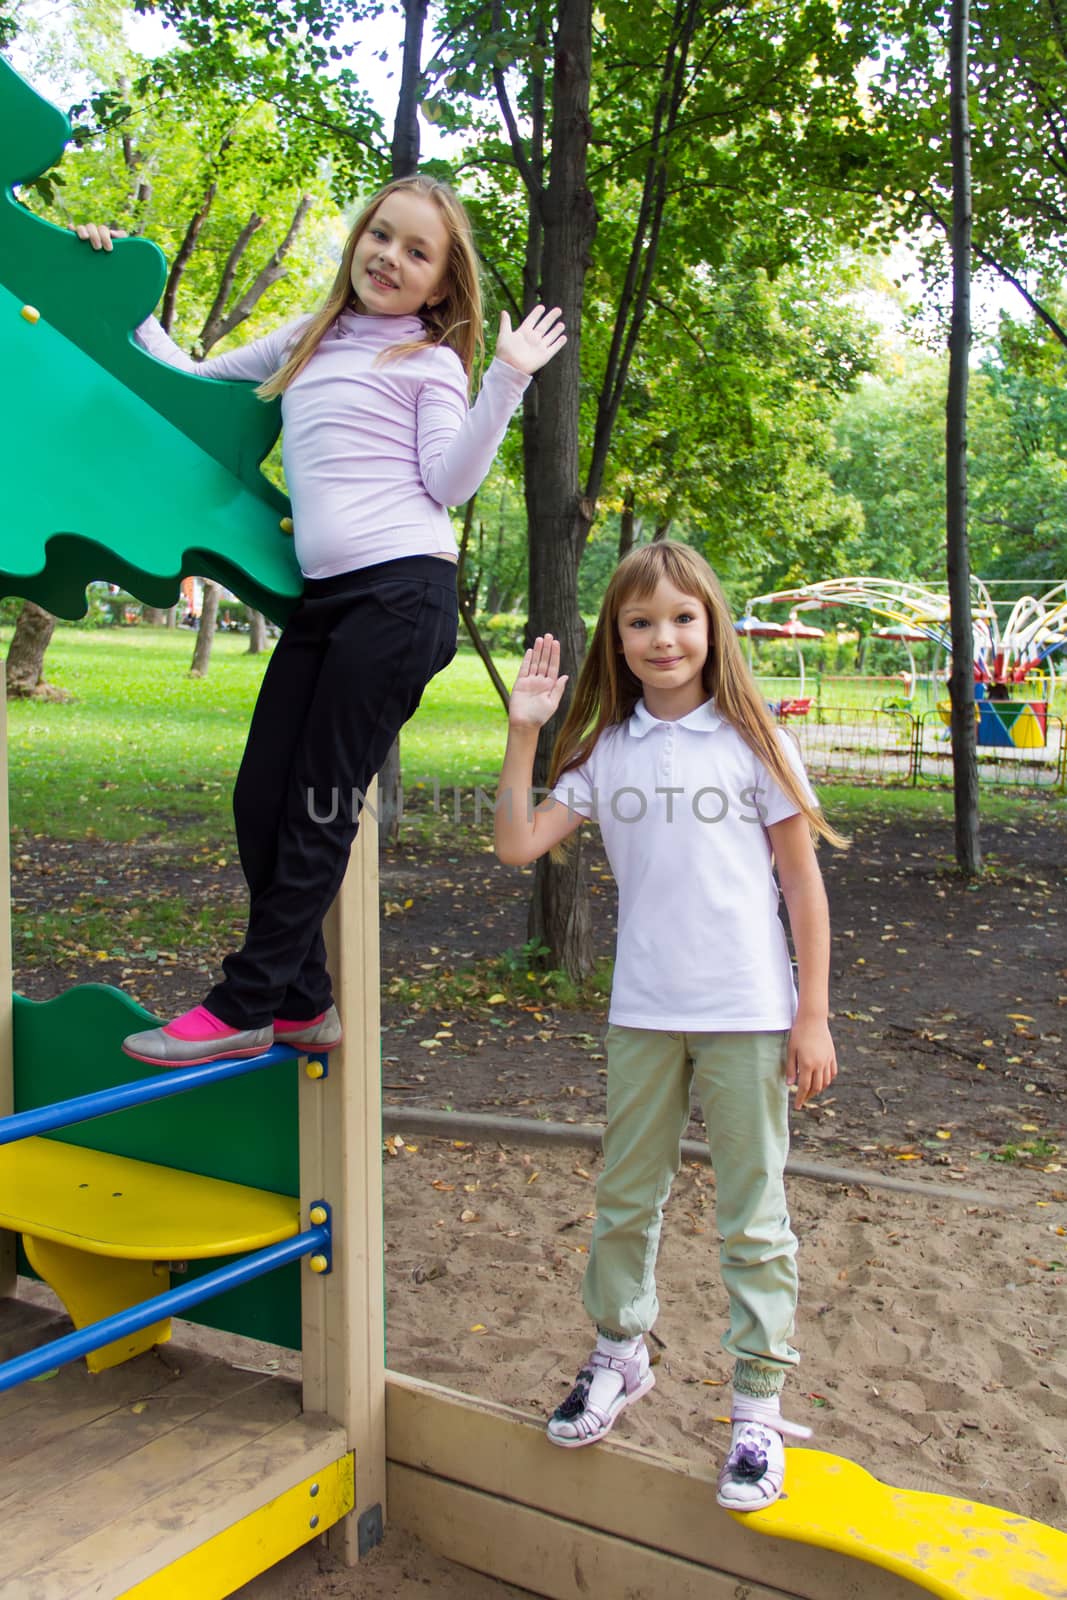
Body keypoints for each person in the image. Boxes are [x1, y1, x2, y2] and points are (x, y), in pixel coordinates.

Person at [76, 177, 565, 1066]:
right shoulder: (311, 338)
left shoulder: (428, 363)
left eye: (418, 253)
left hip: (400, 595)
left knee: (316, 807)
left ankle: (246, 1000)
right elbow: (184, 380)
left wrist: (505, 380)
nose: (390, 258)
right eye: (382, 235)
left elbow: (448, 485)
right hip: (326, 603)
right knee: (261, 798)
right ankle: (302, 1002)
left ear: (441, 287)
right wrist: (119, 291)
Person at [494, 540, 844, 1511]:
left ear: (711, 625)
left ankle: (755, 1411)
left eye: (681, 618)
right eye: (640, 621)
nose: (662, 637)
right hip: (643, 1011)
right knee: (623, 1198)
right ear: (618, 635)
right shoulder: (607, 749)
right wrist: (524, 730)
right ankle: (618, 1354)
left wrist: (810, 1014)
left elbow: (800, 880)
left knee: (753, 1216)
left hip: (747, 1014)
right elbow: (518, 842)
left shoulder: (753, 737)